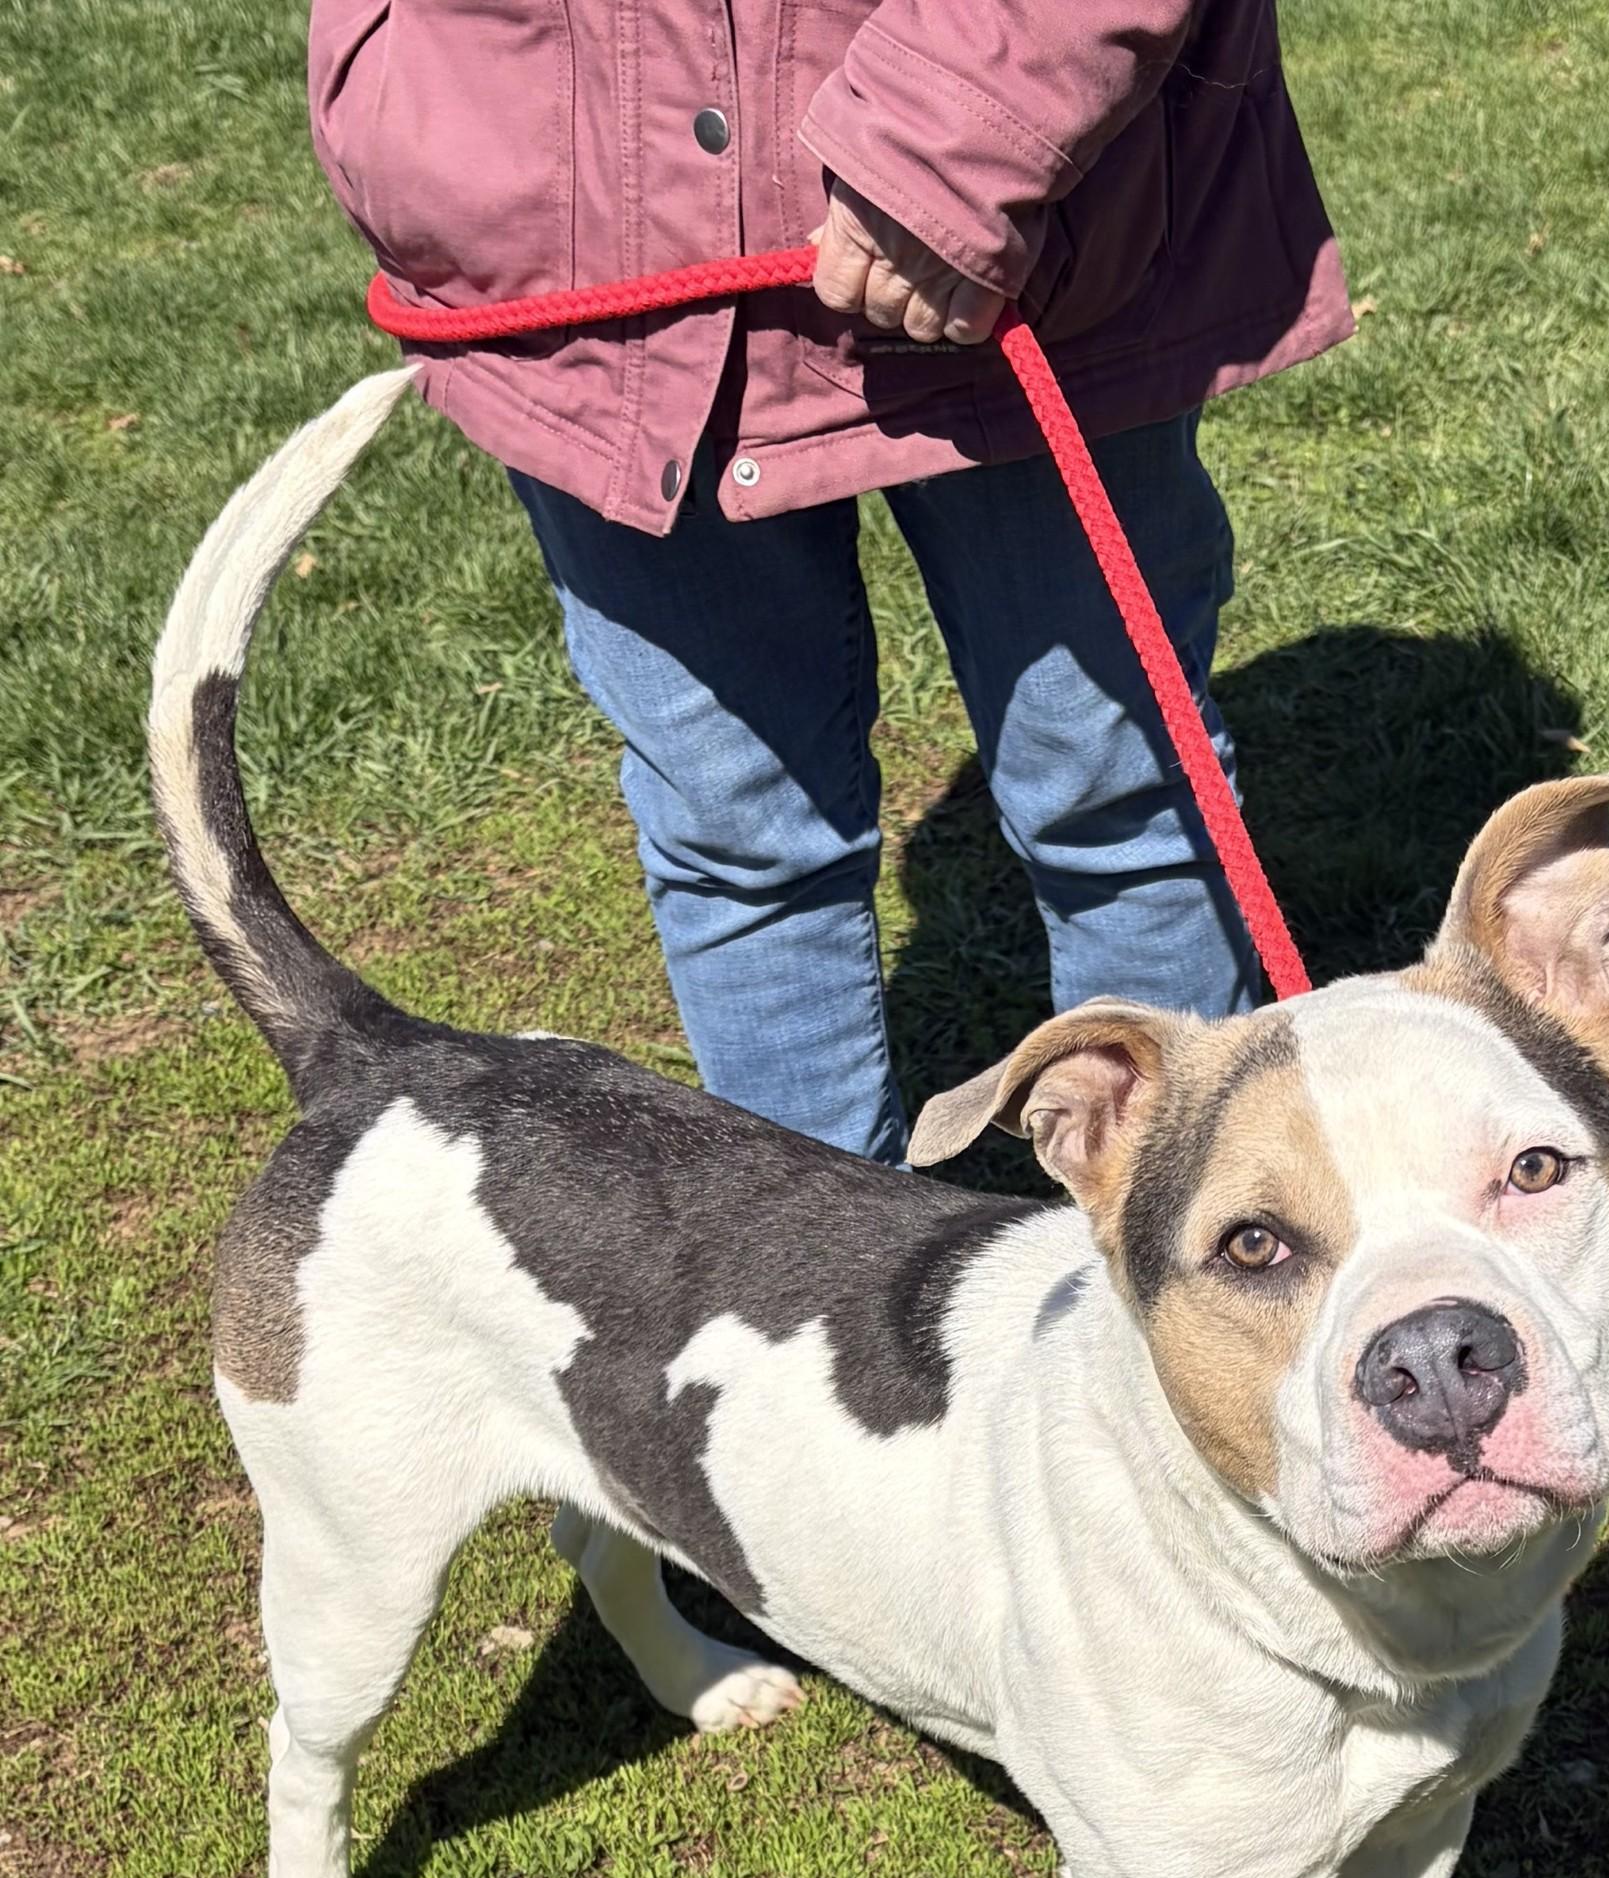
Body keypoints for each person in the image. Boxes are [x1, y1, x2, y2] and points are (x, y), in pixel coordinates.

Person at [307, 0, 1352, 1160]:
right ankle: (815, 1318)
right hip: (562, 232)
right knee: (735, 840)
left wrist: (955, 138)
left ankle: (1177, 1280)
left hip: (1039, 224)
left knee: (1117, 798)